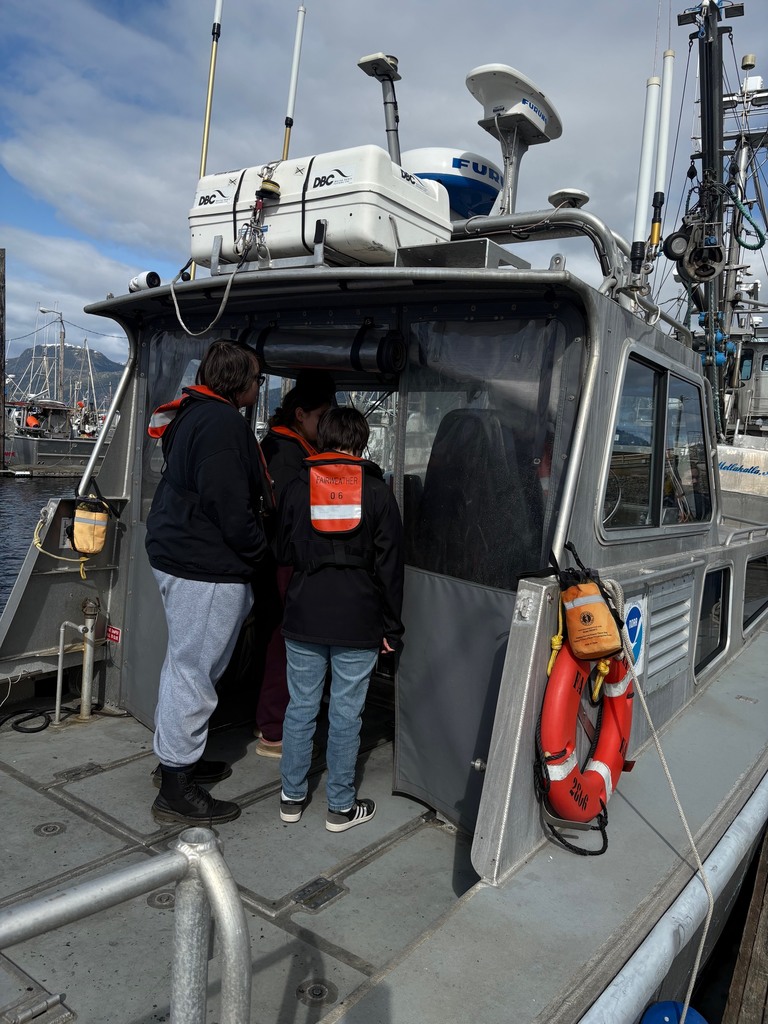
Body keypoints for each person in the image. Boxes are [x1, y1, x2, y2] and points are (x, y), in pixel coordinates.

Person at [145, 340, 273, 825]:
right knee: (194, 672)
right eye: (257, 379)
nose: (259, 387)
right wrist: (262, 554)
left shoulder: (193, 413)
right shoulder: (221, 424)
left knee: (184, 665)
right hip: (205, 566)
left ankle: (177, 762)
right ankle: (176, 789)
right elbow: (230, 508)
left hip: (181, 556)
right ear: (238, 381)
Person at [276, 406, 404, 832]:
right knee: (347, 714)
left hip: (304, 613)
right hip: (358, 619)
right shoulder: (379, 493)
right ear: (361, 442)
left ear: (322, 439)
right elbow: (390, 568)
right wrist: (392, 627)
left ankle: (291, 799)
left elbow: (281, 551)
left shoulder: (296, 488)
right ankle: (340, 808)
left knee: (300, 708)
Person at [252, 370, 335, 758]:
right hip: (285, 563)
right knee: (284, 645)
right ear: (300, 415)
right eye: (322, 416)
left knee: (276, 642)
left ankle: (272, 720)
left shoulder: (280, 448)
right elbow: (288, 515)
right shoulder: (289, 455)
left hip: (274, 560)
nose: (326, 425)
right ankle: (274, 729)